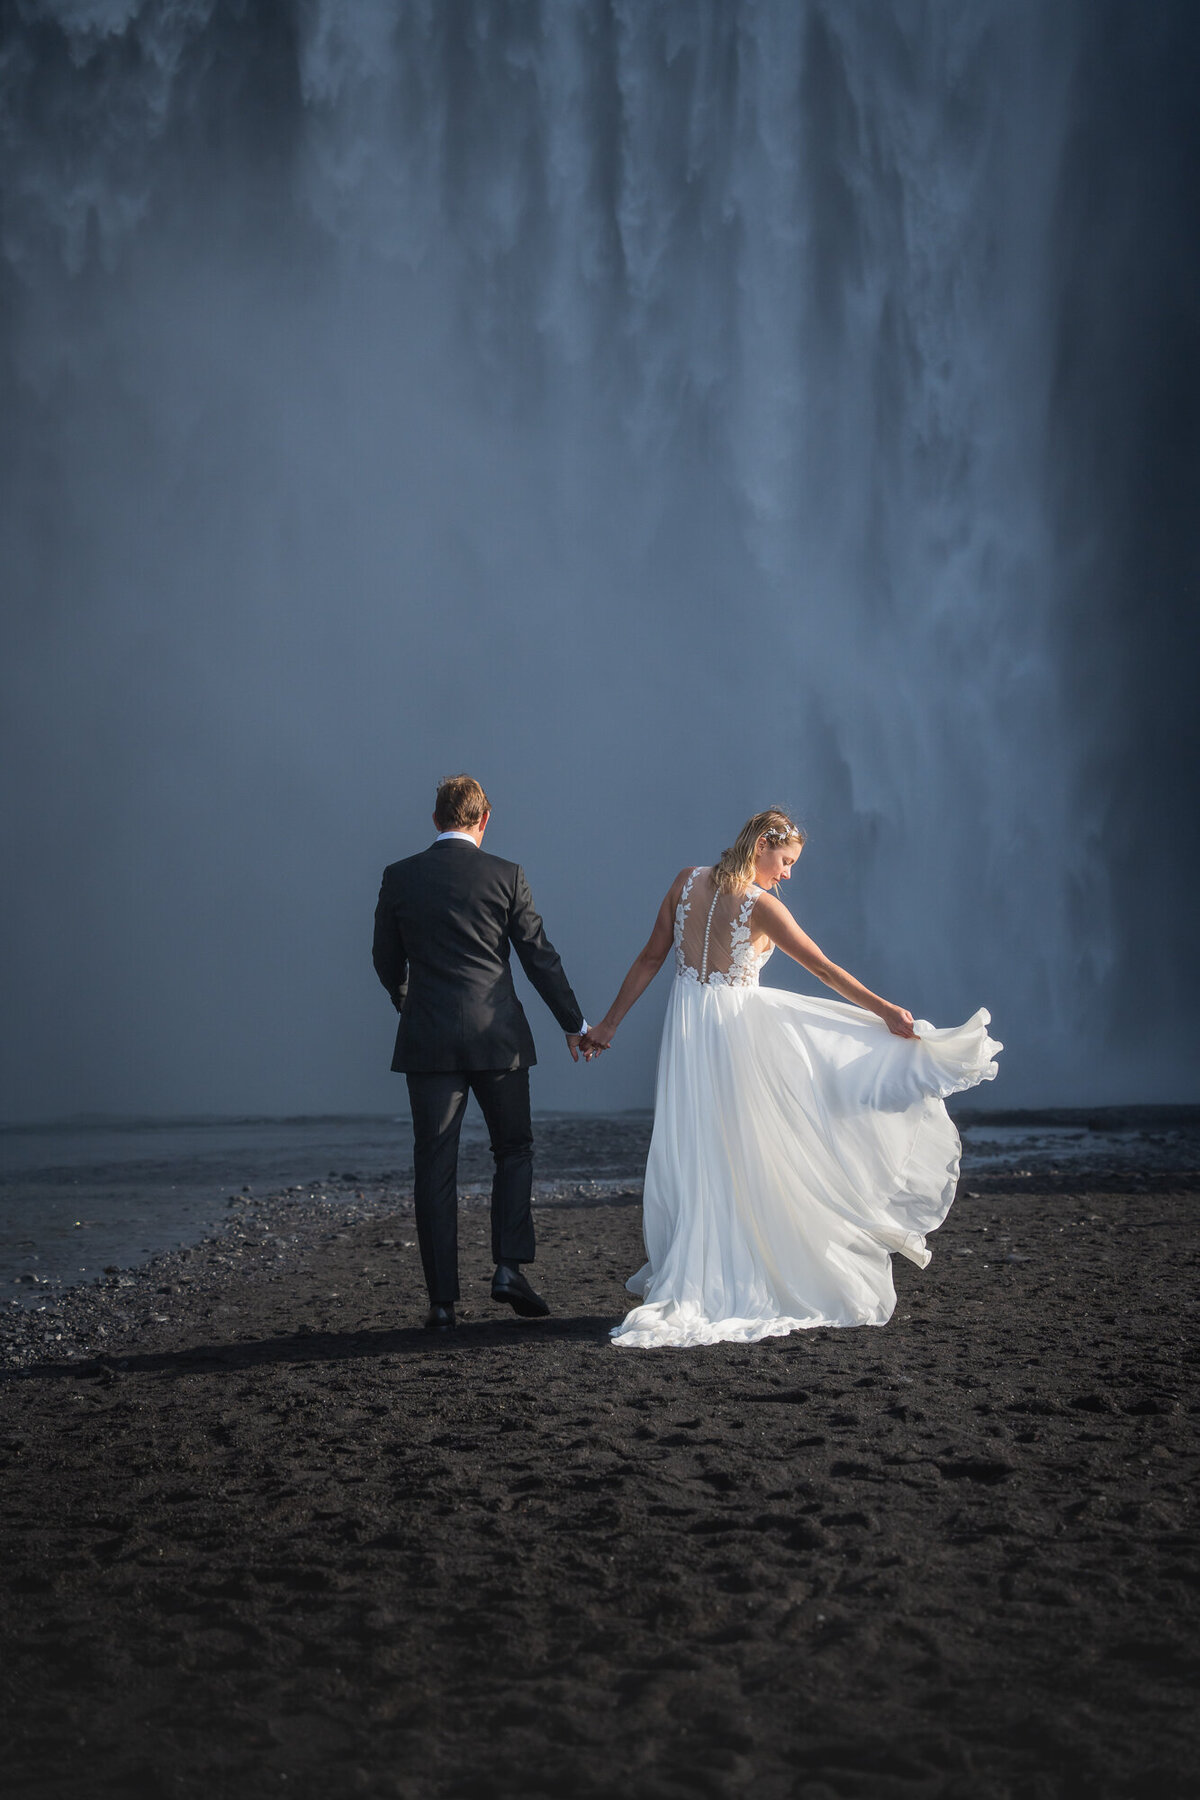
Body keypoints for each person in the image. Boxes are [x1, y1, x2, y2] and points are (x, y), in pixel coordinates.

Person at [581, 810, 1001, 1348]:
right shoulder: (762, 906)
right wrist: (885, 1013)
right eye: (786, 861)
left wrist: (609, 1025)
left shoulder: (684, 881)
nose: (787, 874)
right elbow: (823, 969)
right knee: (746, 1150)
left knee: (706, 1149)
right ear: (761, 845)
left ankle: (704, 1264)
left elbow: (650, 959)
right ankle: (738, 1268)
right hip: (734, 1037)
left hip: (687, 1034)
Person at [372, 774, 589, 1330]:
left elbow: (383, 958)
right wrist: (575, 1023)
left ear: (437, 818)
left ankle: (442, 1303)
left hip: (428, 1042)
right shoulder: (506, 875)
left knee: (435, 1165)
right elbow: (539, 956)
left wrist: (407, 1000)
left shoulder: (400, 877)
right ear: (483, 820)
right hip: (500, 1040)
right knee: (513, 1149)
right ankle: (508, 1267)